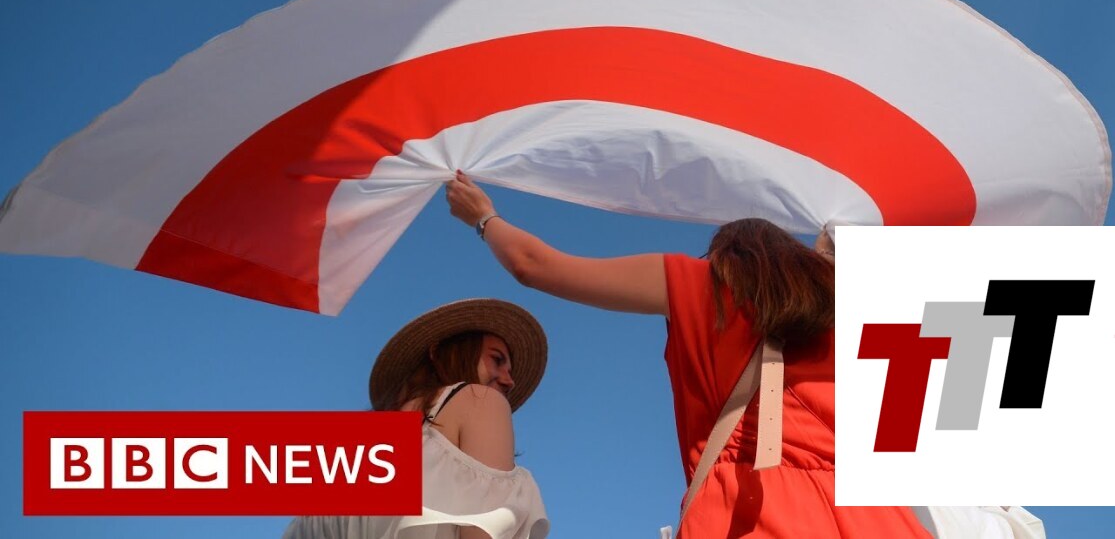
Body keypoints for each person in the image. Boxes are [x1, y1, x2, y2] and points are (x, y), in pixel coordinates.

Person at [445, 171, 930, 538]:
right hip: (878, 516)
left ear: (726, 256)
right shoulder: (851, 308)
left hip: (750, 509)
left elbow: (533, 265)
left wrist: (483, 217)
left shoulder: (702, 284)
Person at [283, 298, 550, 539]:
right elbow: (483, 533)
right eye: (497, 359)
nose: (509, 380)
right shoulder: (482, 401)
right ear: (444, 352)